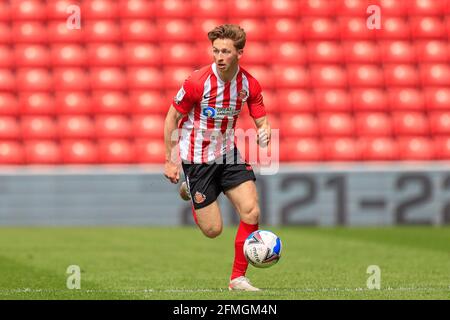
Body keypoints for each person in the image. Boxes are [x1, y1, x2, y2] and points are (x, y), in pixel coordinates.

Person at [163, 24, 271, 291]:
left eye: (225, 51)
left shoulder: (248, 83)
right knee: (213, 231)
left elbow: (261, 118)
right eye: (215, 51)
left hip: (227, 153)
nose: (219, 57)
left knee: (251, 210)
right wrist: (170, 158)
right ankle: (190, 186)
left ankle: (237, 278)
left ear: (239, 53)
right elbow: (172, 118)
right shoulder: (197, 82)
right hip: (196, 158)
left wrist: (264, 131)